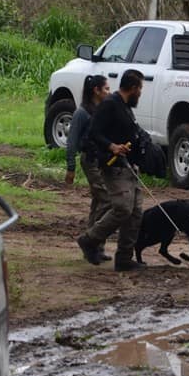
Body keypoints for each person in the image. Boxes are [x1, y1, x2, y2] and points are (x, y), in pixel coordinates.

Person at [77, 69, 145, 271]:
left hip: (130, 167)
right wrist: (112, 146)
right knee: (123, 208)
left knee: (135, 212)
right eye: (140, 88)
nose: (141, 93)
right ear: (133, 88)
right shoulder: (109, 105)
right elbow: (93, 133)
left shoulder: (126, 107)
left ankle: (124, 258)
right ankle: (89, 239)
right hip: (113, 167)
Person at [66, 75, 112, 261]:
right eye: (106, 89)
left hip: (102, 161)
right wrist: (70, 167)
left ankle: (95, 246)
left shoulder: (101, 110)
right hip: (90, 160)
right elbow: (72, 142)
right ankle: (91, 241)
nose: (109, 92)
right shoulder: (82, 113)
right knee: (107, 200)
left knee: (98, 202)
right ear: (96, 90)